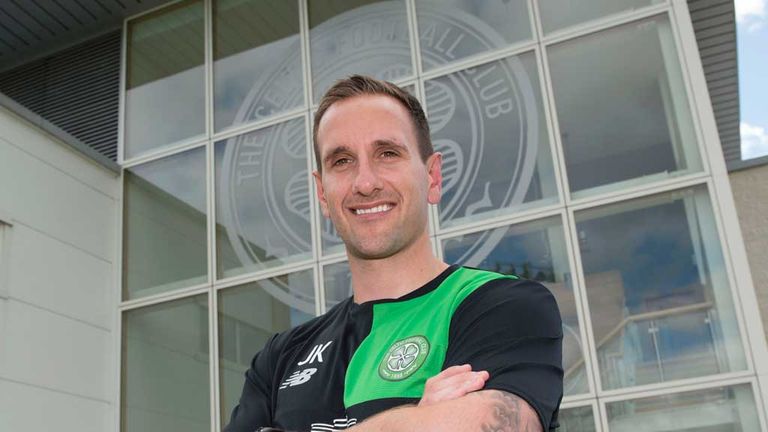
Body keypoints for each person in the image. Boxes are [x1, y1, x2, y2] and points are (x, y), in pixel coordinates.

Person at [224, 75, 563, 432]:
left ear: (432, 178)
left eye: (387, 154)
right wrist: (420, 418)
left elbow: (493, 424)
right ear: (322, 193)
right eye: (342, 161)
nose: (366, 182)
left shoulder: (501, 306)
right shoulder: (280, 359)